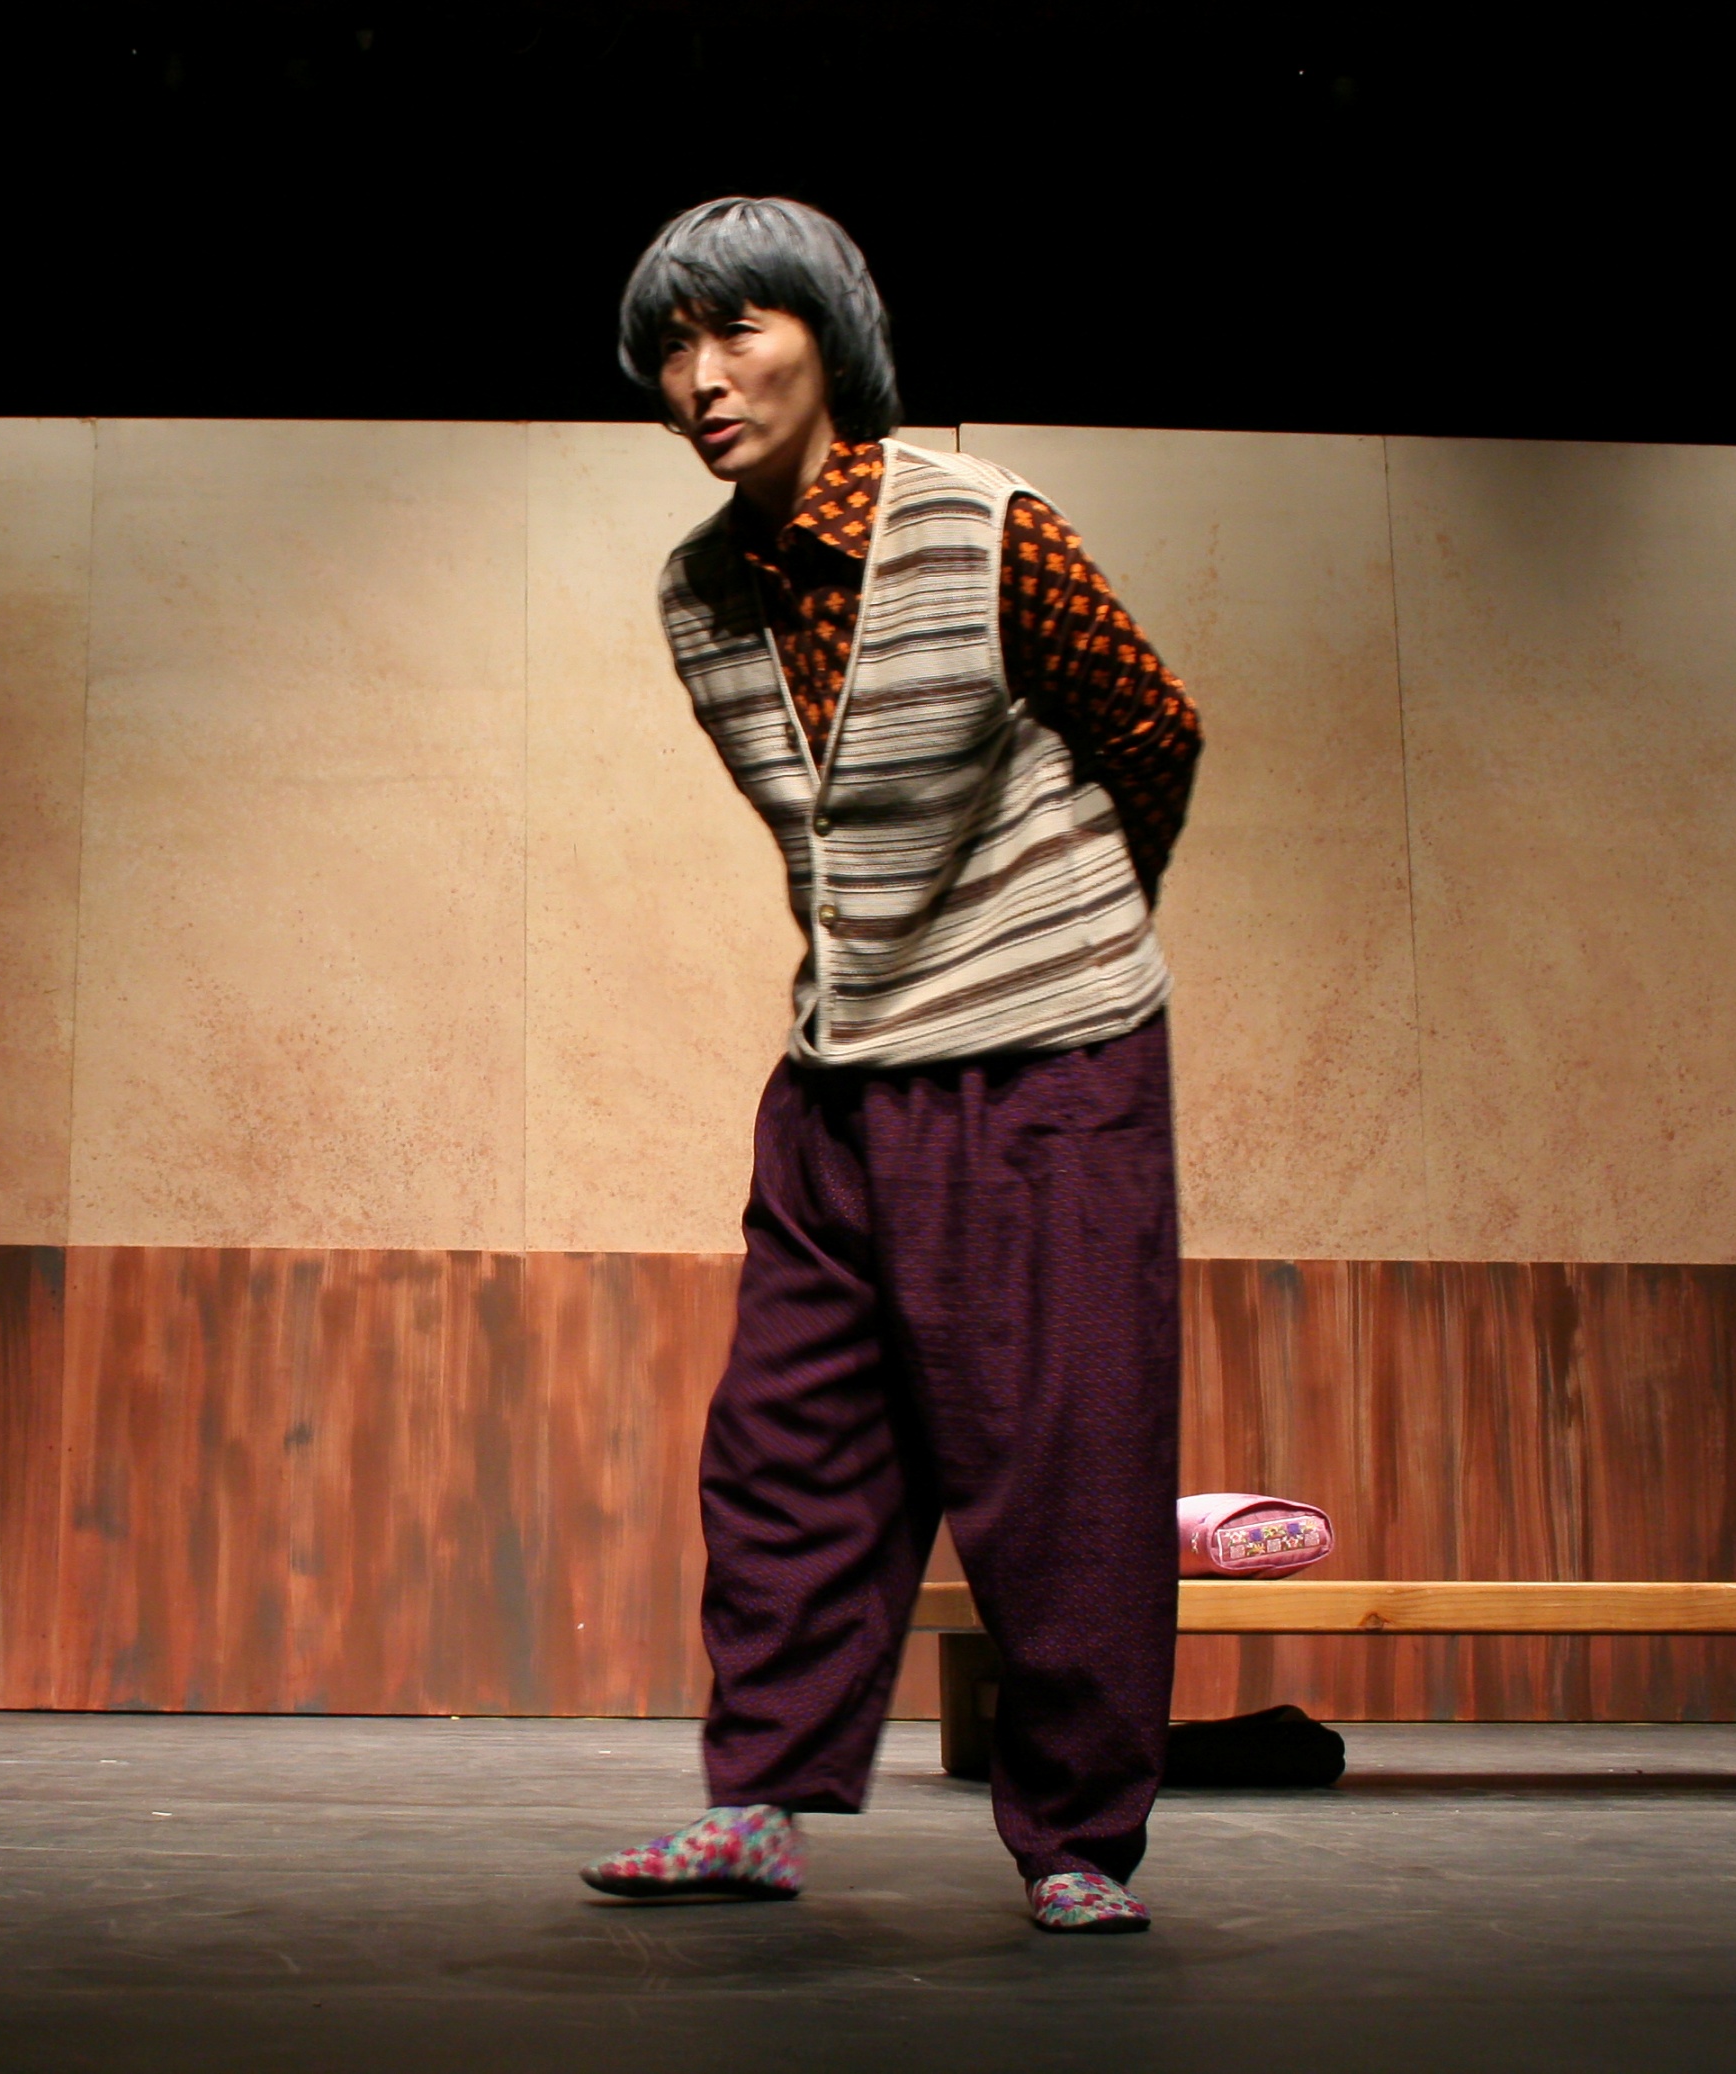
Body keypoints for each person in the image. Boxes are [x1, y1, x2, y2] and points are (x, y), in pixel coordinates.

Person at [578, 197, 1202, 1934]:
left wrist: (1063, 932)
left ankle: (1076, 1840)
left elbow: (1151, 731)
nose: (701, 381)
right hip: (843, 1061)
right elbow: (824, 840)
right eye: (670, 352)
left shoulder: (985, 525)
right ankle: (755, 1803)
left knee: (1058, 1453)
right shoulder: (699, 593)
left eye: (738, 332)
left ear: (828, 343)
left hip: (1045, 1064)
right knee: (783, 1438)